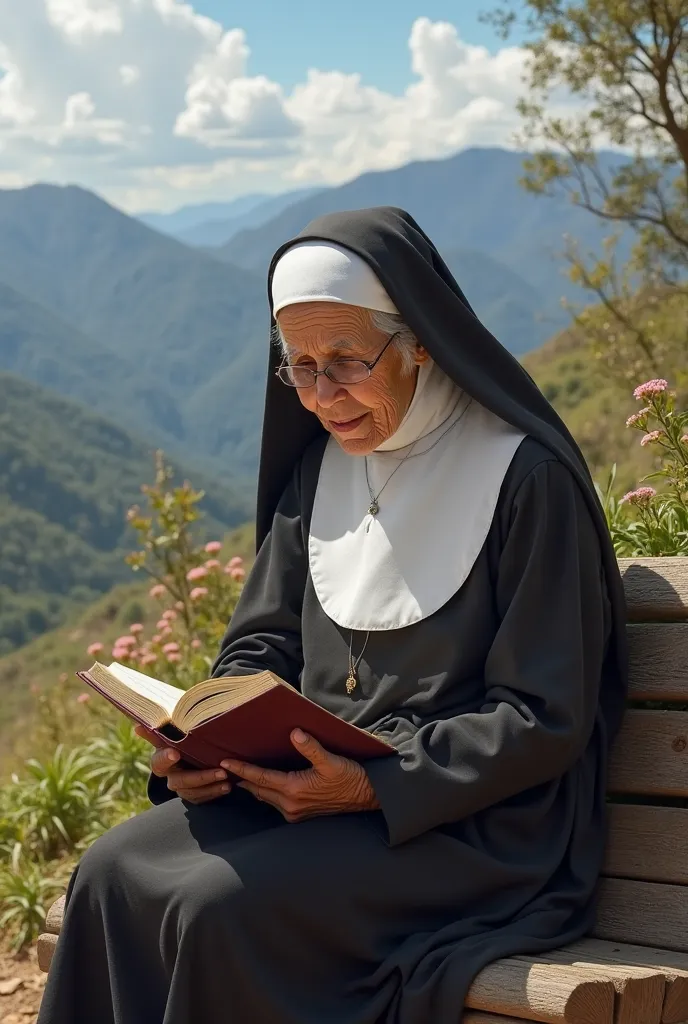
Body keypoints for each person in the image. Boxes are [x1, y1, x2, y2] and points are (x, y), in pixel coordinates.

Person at [38, 207, 628, 1024]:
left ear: (420, 338)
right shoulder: (321, 469)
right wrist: (204, 740)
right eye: (300, 367)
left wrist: (375, 784)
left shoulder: (525, 481)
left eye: (346, 361)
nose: (322, 397)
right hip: (304, 796)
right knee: (109, 872)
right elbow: (263, 643)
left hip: (467, 826)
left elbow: (543, 716)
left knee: (218, 908)